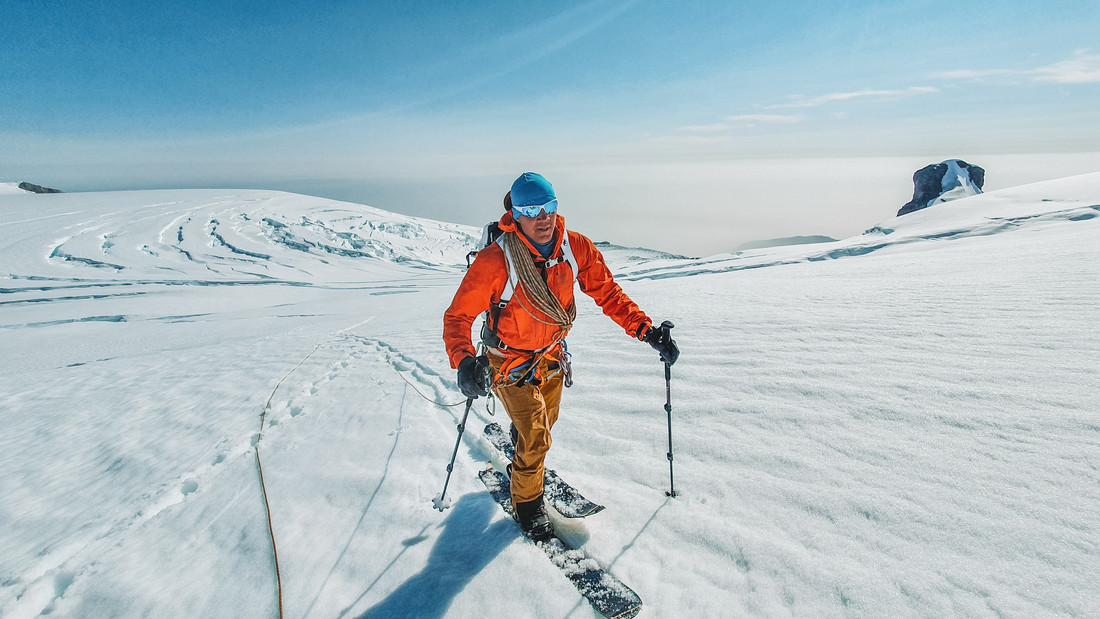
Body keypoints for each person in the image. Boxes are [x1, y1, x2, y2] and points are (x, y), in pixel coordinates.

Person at [443, 172, 679, 541]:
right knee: (536, 435)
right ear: (515, 214)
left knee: (541, 429)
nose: (544, 217)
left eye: (550, 206)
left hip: (552, 358)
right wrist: (464, 361)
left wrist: (646, 331)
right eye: (533, 209)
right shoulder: (495, 261)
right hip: (507, 362)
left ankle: (522, 457)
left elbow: (608, 294)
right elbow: (458, 316)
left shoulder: (575, 249)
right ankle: (528, 508)